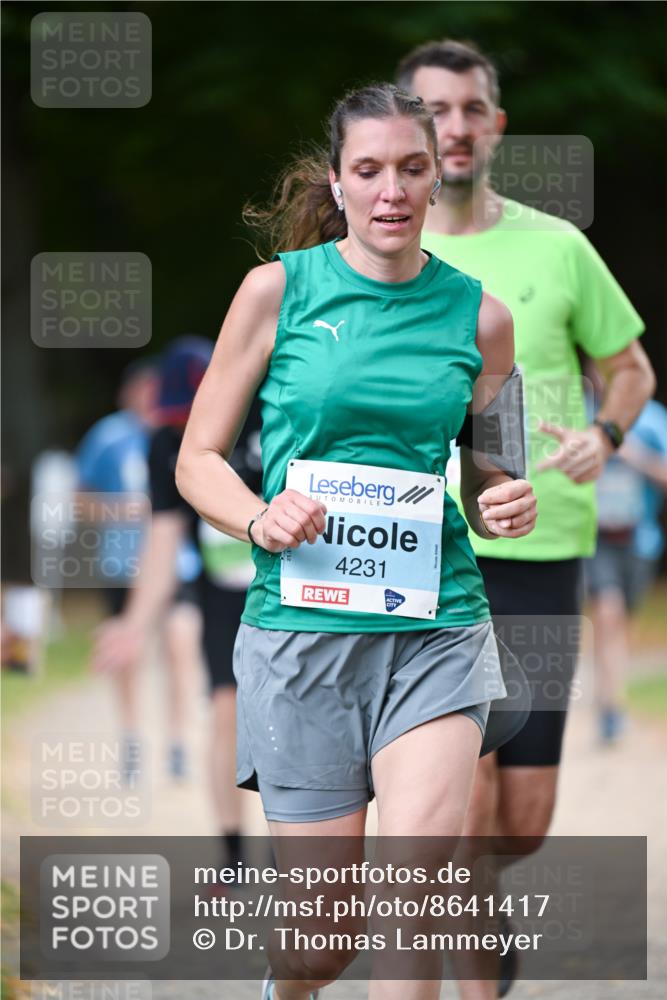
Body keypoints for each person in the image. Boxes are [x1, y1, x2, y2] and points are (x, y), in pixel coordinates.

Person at [175, 83, 537, 1000]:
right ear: (336, 183)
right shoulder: (275, 293)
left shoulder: (484, 320)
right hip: (301, 635)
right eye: (368, 170)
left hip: (434, 628)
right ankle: (286, 982)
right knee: (321, 944)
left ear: (437, 177)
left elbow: (494, 473)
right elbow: (197, 459)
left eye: (411, 169)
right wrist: (258, 518)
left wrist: (502, 501)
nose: (391, 190)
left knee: (415, 895)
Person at [396, 38, 656, 996]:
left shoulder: (557, 247)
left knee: (523, 819)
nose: (454, 126)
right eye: (433, 110)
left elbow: (628, 369)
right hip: (428, 557)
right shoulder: (384, 247)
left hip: (541, 551)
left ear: (495, 124)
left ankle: (476, 896)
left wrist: (605, 433)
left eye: (470, 108)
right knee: (458, 800)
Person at [93, 337, 262, 867]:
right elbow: (162, 541)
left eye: (191, 414)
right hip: (221, 592)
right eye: (174, 418)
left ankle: (297, 854)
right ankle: (233, 858)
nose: (184, 427)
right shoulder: (164, 444)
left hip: (293, 585)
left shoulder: (268, 414)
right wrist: (133, 624)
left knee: (295, 716)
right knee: (225, 712)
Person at [77, 359, 203, 779]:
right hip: (122, 564)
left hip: (178, 562)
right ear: (128, 393)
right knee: (128, 651)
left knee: (181, 642)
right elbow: (80, 500)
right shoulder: (108, 436)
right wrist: (121, 510)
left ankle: (178, 741)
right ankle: (131, 738)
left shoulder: (179, 431)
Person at [587, 395, 667, 743]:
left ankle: (612, 692)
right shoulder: (582, 412)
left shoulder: (652, 418)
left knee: (623, 623)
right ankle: (610, 706)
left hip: (640, 540)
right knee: (608, 612)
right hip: (595, 539)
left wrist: (634, 456)